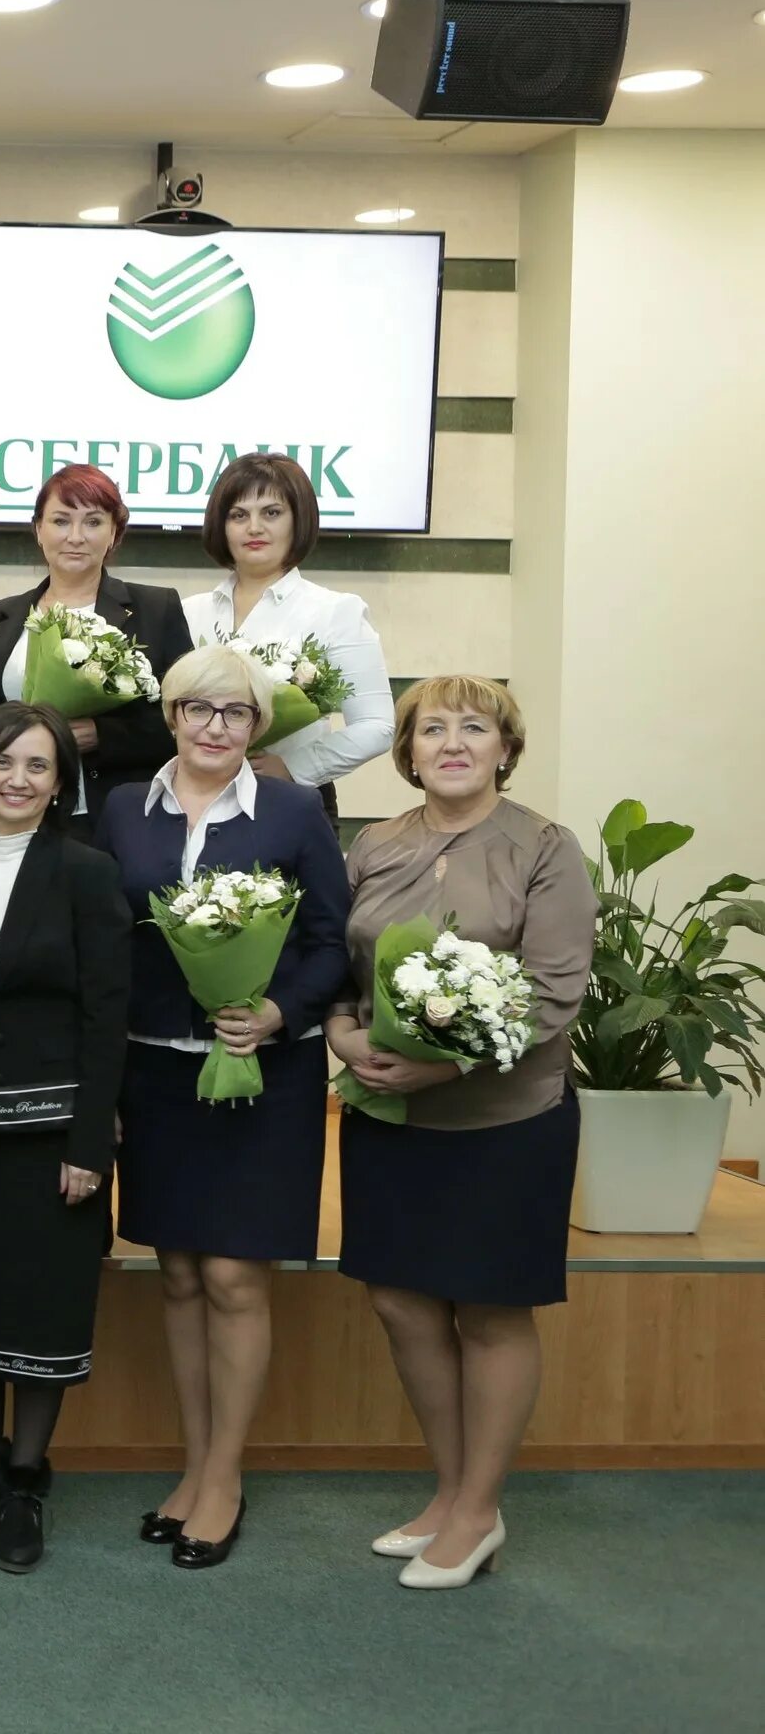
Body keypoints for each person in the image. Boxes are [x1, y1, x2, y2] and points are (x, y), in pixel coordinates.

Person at [327, 677, 595, 1589]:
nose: (451, 741)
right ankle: (449, 1494)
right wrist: (343, 1035)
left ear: (504, 748)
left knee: (488, 1309)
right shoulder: (372, 844)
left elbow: (555, 993)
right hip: (387, 1113)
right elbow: (337, 967)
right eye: (430, 727)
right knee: (402, 1302)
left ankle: (480, 1509)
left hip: (505, 1118)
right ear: (406, 751)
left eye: (472, 727)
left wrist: (441, 1065)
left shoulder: (546, 849)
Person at [94, 644, 347, 1571]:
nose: (213, 726)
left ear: (257, 726)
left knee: (237, 1279)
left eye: (234, 713)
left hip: (264, 1075)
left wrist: (279, 1011)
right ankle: (193, 1464)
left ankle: (225, 1477)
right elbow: (105, 938)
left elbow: (328, 938)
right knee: (179, 1277)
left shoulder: (291, 809)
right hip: (156, 1072)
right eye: (197, 708)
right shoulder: (126, 807)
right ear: (169, 715)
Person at [0, 702, 131, 1574]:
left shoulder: (86, 873)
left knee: (43, 1308)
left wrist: (91, 1142)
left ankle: (29, 1477)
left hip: (54, 1132)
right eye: (2, 763)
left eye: (37, 766)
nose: (16, 779)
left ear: (60, 783)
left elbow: (108, 1012)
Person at [0, 464, 191, 823]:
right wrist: (13, 737)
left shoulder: (156, 608)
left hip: (115, 816)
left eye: (93, 522)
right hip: (11, 809)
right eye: (61, 521)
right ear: (39, 529)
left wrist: (103, 735)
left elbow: (184, 717)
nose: (76, 536)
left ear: (115, 532)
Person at [180, 452, 394, 818]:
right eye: (238, 515)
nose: (254, 528)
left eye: (272, 513)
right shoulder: (189, 610)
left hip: (288, 801)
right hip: (194, 797)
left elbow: (377, 725)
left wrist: (296, 768)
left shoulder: (335, 610)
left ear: (299, 521)